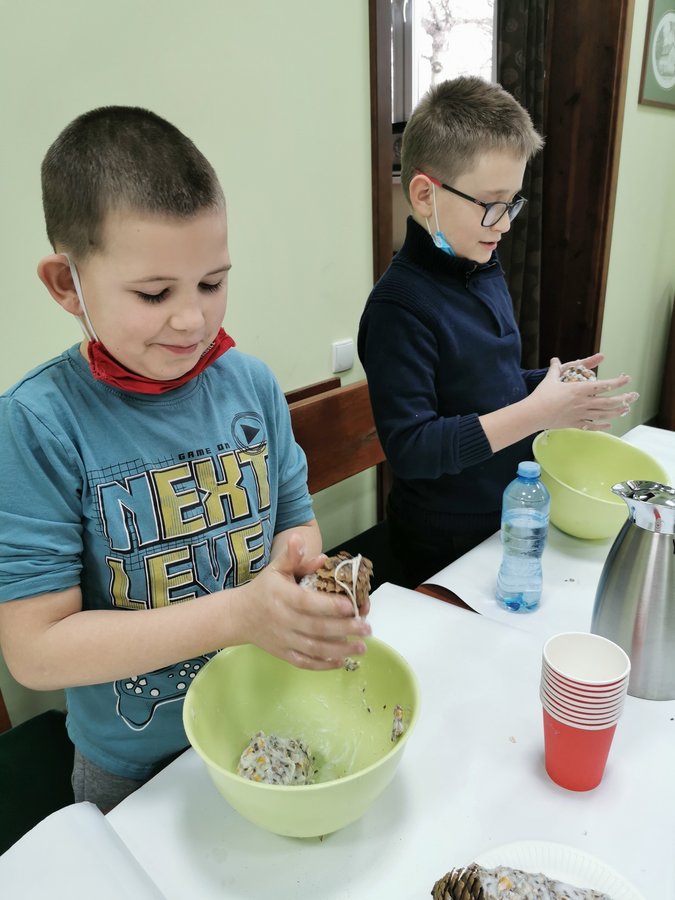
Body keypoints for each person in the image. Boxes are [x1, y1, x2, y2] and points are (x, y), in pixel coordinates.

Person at [0, 106, 371, 811]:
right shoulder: (37, 423)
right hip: (135, 768)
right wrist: (239, 615)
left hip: (260, 714)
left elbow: (294, 521)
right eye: (154, 293)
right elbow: (35, 651)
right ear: (66, 283)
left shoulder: (250, 385)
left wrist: (300, 576)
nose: (193, 319)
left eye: (212, 282)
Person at [358, 77, 639, 589]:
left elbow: (486, 383)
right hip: (440, 545)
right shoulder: (398, 308)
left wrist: (551, 388)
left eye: (512, 203)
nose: (505, 224)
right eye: (491, 204)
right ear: (425, 195)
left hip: (506, 511)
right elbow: (414, 449)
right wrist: (539, 412)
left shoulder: (480, 265)